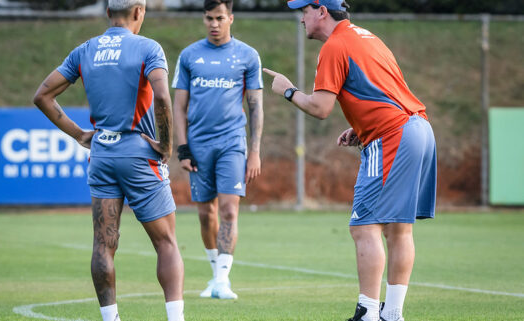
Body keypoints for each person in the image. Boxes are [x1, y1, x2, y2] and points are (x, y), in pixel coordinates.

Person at [263, 1, 436, 320]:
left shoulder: (335, 45)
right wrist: (361, 127)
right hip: (419, 129)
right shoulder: (367, 36)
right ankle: (392, 314)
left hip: (393, 136)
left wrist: (288, 91)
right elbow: (384, 92)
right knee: (399, 229)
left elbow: (320, 107)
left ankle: (368, 312)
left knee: (364, 226)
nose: (301, 17)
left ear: (321, 11)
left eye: (303, 10)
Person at [32, 1, 185, 320]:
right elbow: (162, 96)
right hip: (139, 153)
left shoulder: (84, 50)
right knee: (167, 243)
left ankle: (110, 318)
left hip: (102, 153)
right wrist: (166, 144)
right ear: (139, 12)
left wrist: (79, 135)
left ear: (107, 13)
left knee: (104, 244)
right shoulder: (148, 47)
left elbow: (42, 96)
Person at [172, 0, 264, 300]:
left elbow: (255, 106)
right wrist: (183, 148)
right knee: (205, 214)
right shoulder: (189, 56)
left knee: (228, 209)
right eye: (209, 18)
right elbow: (179, 106)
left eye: (220, 18)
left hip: (232, 143)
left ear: (231, 19)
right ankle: (214, 275)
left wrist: (255, 150)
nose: (214, 24)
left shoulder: (248, 56)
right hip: (198, 146)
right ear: (204, 18)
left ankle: (223, 280)